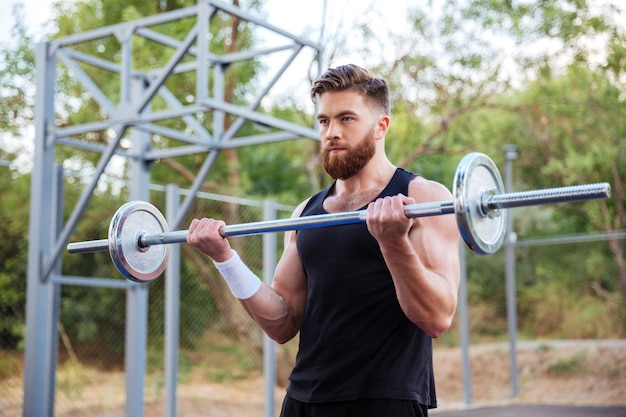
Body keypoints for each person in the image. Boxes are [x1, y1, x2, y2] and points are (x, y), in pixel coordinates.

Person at [187, 64, 461, 417]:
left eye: (346, 119)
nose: (332, 132)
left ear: (381, 126)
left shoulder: (422, 198)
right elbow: (283, 323)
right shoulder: (305, 213)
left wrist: (393, 243)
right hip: (304, 400)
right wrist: (225, 258)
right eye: (324, 121)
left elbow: (437, 318)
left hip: (385, 401)